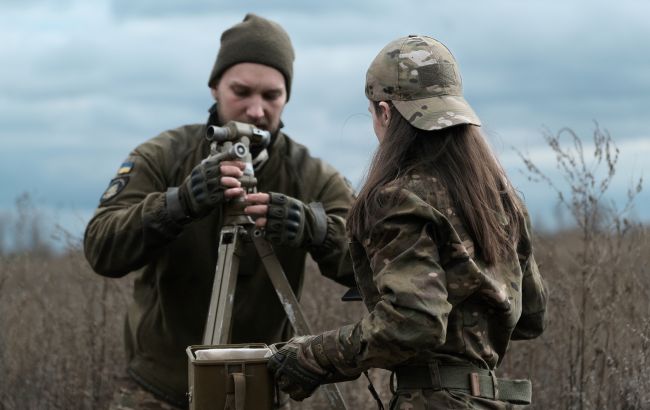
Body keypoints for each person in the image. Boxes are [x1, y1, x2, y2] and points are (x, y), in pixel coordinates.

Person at [83, 13, 356, 409]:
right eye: (241, 91)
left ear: (287, 97)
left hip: (262, 390)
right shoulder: (164, 156)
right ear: (215, 87)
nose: (256, 110)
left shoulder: (311, 175)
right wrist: (177, 204)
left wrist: (314, 228)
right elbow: (101, 248)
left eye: (271, 96)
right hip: (159, 389)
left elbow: (371, 262)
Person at [268, 35, 548, 409]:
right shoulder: (500, 198)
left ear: (384, 112)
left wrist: (314, 354)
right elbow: (530, 316)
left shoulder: (397, 199)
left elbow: (413, 322)